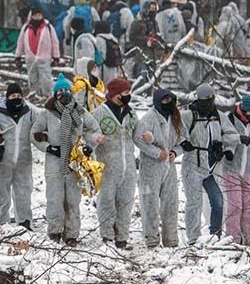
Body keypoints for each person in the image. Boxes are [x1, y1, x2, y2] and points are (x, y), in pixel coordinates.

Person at [31, 75, 101, 244]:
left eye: (67, 90)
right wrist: (48, 147)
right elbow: (34, 134)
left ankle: (71, 234)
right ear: (55, 94)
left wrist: (89, 146)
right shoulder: (47, 113)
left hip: (75, 162)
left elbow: (94, 130)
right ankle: (54, 232)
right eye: (60, 90)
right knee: (54, 199)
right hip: (54, 162)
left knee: (73, 200)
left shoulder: (80, 112)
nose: (64, 93)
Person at [177, 84, 238, 245]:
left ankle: (215, 235)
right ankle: (193, 238)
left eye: (211, 98)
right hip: (192, 165)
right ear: (198, 98)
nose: (209, 101)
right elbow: (178, 132)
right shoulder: (188, 115)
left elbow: (231, 134)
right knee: (194, 203)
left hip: (211, 166)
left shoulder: (218, 116)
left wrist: (226, 148)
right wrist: (184, 142)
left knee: (218, 201)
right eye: (205, 98)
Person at [90, 78, 139, 248]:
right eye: (125, 93)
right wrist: (96, 139)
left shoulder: (131, 113)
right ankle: (107, 236)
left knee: (126, 202)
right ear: (115, 94)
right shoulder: (98, 113)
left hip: (128, 166)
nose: (127, 96)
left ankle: (122, 237)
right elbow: (87, 134)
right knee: (106, 201)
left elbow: (138, 135)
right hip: (107, 165)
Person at [135, 89, 182, 248]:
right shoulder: (149, 118)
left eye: (170, 100)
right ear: (157, 101)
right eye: (165, 100)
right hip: (150, 168)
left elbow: (183, 139)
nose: (168, 103)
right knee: (150, 203)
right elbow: (138, 138)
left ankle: (171, 240)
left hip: (169, 167)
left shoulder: (174, 118)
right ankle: (152, 239)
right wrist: (156, 153)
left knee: (171, 203)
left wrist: (175, 152)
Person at [222, 94, 250, 245]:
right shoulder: (229, 119)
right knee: (235, 206)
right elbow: (222, 137)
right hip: (231, 168)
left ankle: (247, 239)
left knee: (248, 207)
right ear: (243, 110)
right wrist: (238, 139)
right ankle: (233, 239)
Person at [0, 83, 35, 229]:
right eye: (12, 96)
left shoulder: (29, 112)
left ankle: (24, 221)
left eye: (18, 95)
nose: (16, 98)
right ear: (7, 97)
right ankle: (0, 222)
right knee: (1, 191)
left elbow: (41, 123)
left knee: (24, 190)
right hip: (3, 159)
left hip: (23, 159)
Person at [15, 8, 60, 98]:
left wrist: (56, 57)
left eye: (39, 15)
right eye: (35, 15)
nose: (38, 16)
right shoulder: (26, 27)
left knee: (46, 79)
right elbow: (20, 43)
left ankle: (47, 96)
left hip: (44, 58)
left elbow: (55, 42)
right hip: (30, 58)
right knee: (32, 79)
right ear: (32, 16)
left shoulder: (48, 27)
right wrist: (18, 57)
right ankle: (34, 96)